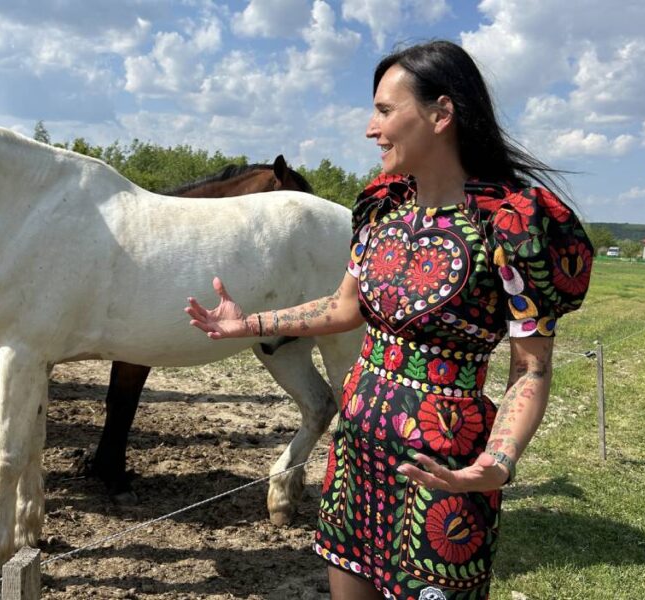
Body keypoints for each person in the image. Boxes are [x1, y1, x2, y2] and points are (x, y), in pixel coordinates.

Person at [185, 40, 593, 600]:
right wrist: (248, 324)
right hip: (356, 456)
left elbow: (531, 369)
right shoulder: (381, 209)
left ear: (441, 114)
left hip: (444, 470)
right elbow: (342, 307)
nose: (370, 129)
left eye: (383, 110)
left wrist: (497, 462)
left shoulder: (509, 226)